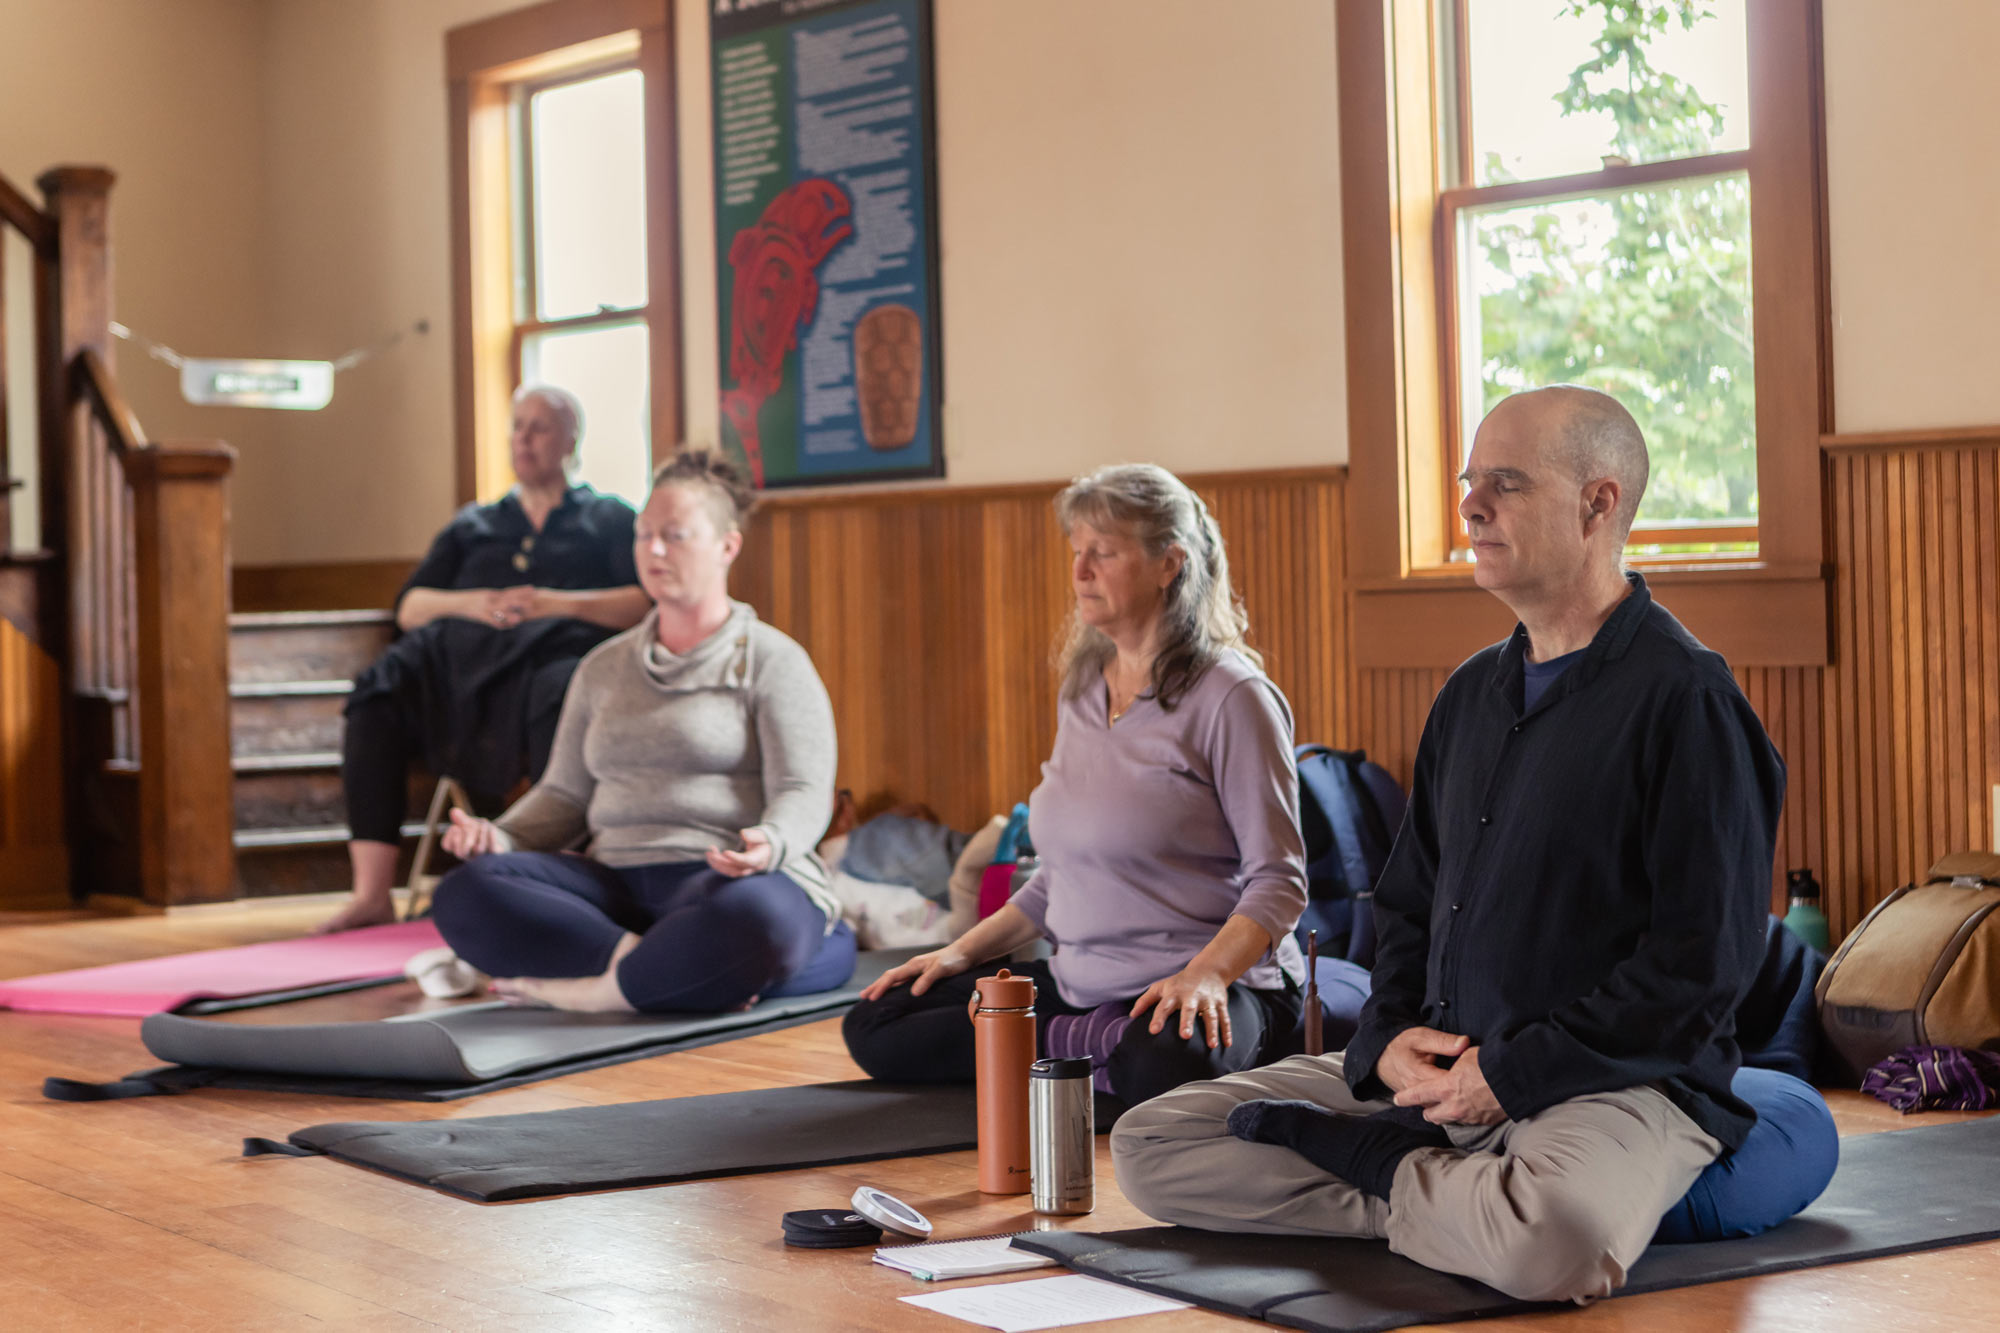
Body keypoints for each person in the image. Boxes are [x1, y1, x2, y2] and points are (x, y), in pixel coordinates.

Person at [1109, 386, 1786, 1304]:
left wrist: (1510, 1074)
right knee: (1153, 1146)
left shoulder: (1689, 702)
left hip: (1610, 1086)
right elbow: (1408, 904)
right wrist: (1386, 1042)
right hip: (1434, 1082)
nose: (1472, 506)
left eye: (1505, 484)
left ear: (1600, 503)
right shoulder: (1471, 694)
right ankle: (1423, 1187)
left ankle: (1384, 1176)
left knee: (1553, 1242)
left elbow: (1700, 969)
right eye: (1472, 482)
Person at [841, 464, 1309, 1107]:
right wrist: (955, 955)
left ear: (1168, 564)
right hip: (1082, 983)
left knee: (1164, 1061)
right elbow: (1059, 878)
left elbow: (1279, 882)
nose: (1080, 570)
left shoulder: (1233, 698)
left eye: (1104, 553)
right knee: (879, 1018)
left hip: (1209, 985)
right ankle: (1081, 1044)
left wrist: (1205, 976)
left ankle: (1042, 1049)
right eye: (1077, 552)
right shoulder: (1085, 689)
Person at [424, 449, 853, 1013]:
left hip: (725, 883)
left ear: (727, 546)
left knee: (762, 919)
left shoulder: (774, 660)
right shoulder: (602, 667)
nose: (652, 550)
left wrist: (771, 841)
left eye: (674, 535)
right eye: (643, 534)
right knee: (466, 892)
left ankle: (604, 990)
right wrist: (498, 838)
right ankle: (664, 969)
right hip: (615, 890)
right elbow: (563, 794)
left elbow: (803, 790)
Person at [317, 386, 649, 933]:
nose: (524, 438)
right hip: (459, 667)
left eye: (538, 428)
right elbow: (411, 607)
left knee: (563, 693)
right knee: (377, 692)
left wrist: (552, 603)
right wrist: (474, 603)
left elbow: (643, 602)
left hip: (553, 657)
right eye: (517, 426)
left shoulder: (607, 519)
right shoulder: (475, 524)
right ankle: (372, 893)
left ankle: (559, 882)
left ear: (570, 440)